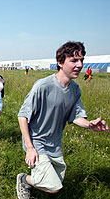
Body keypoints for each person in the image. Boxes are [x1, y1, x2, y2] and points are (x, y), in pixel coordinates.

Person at [16, 41, 109, 199]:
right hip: (37, 141)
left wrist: (89, 125)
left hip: (55, 144)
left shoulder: (74, 89)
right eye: (74, 60)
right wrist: (30, 147)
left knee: (57, 181)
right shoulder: (43, 86)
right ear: (60, 62)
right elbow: (22, 116)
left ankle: (34, 179)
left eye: (81, 60)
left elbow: (76, 115)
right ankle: (24, 179)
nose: (80, 65)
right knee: (53, 187)